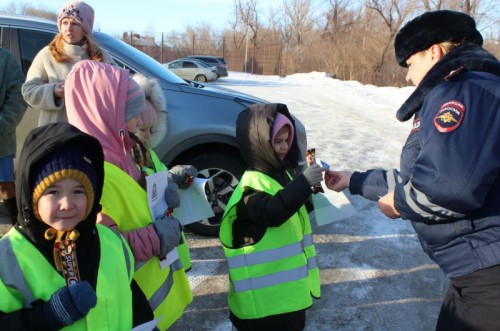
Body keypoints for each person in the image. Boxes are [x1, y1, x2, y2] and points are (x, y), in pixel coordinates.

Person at [324, 10, 500, 331]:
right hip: (474, 271)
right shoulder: (469, 87)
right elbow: (419, 177)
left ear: (434, 51)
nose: (407, 76)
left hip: (488, 276)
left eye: (410, 63)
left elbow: (447, 189)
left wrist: (398, 204)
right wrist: (354, 180)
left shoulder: (462, 91)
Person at [64, 59, 192, 331]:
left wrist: (157, 192)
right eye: (131, 114)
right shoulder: (88, 173)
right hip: (134, 308)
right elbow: (95, 249)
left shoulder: (121, 151)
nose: (138, 121)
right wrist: (154, 237)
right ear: (105, 114)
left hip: (154, 299)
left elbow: (131, 203)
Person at [0, 122, 148, 330]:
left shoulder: (112, 241)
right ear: (31, 196)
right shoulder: (6, 259)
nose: (67, 204)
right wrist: (49, 315)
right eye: (53, 192)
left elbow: (131, 296)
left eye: (79, 191)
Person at [219, 103, 327, 331]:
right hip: (261, 310)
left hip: (285, 301)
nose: (284, 147)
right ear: (259, 144)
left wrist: (313, 190)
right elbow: (273, 213)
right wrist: (303, 183)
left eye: (287, 140)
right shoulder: (250, 187)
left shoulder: (281, 174)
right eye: (277, 141)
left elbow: (291, 211)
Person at [131, 73, 197, 271]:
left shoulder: (148, 153)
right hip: (155, 253)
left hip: (168, 249)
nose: (148, 135)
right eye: (142, 128)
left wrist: (174, 178)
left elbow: (157, 179)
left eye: (152, 128)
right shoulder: (126, 159)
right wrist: (169, 181)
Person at [21, 1, 113, 126]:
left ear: (85, 29)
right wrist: (54, 91)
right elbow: (28, 91)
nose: (68, 28)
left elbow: (117, 87)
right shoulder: (48, 54)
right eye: (64, 22)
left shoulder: (99, 56)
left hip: (90, 135)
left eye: (75, 23)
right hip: (56, 136)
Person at [0, 48, 26, 225]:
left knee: (5, 184)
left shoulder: (5, 59)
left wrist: (2, 123)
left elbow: (18, 97)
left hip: (1, 140)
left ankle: (20, 228)